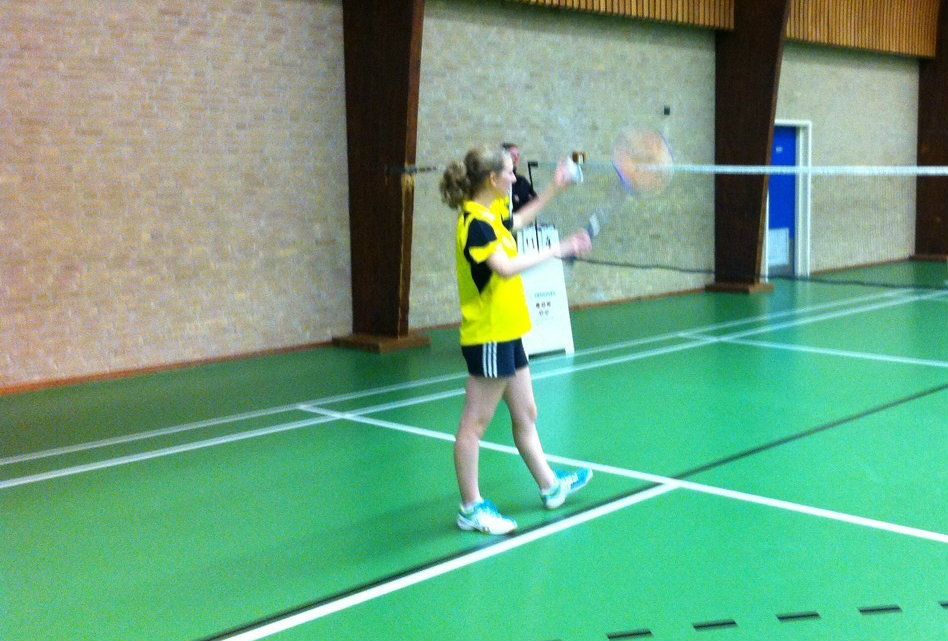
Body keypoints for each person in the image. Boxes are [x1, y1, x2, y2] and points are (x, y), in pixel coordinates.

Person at [439, 144, 593, 535]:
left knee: (526, 413)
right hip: (489, 335)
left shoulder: (491, 213)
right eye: (509, 172)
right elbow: (504, 267)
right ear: (493, 180)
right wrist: (557, 249)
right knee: (474, 424)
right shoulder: (475, 222)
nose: (515, 177)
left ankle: (550, 486)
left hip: (509, 331)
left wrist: (556, 186)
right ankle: (471, 507)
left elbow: (519, 220)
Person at [501, 142, 537, 212]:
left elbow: (535, 201)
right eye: (512, 155)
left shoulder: (521, 180)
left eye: (518, 155)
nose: (516, 158)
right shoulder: (499, 181)